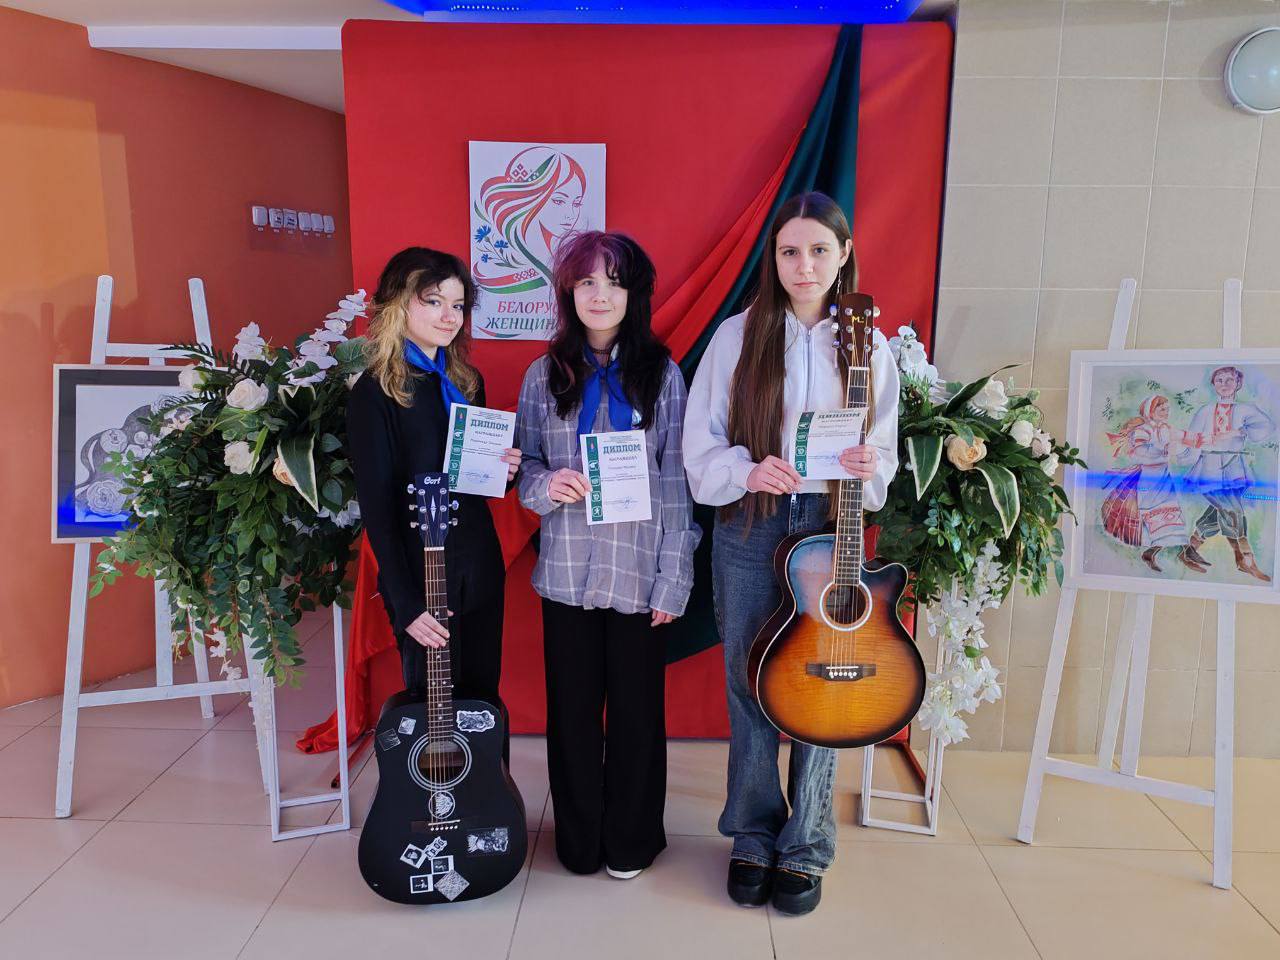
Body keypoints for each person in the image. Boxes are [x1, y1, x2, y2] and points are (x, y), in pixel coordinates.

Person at [683, 192, 899, 916]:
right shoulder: (736, 337)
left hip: (830, 522)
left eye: (818, 251)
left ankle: (805, 843)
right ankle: (751, 832)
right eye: (789, 252)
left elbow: (885, 449)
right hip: (752, 522)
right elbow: (700, 445)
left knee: (823, 682)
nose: (804, 266)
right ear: (772, 258)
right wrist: (747, 470)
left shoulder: (868, 345)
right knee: (749, 677)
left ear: (843, 256)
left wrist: (868, 465)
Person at [515, 230, 700, 880]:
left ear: (634, 294)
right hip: (566, 575)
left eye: (614, 283)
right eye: (588, 282)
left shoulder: (663, 375)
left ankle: (630, 841)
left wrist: (674, 580)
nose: (600, 295)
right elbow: (523, 465)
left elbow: (676, 483)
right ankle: (578, 841)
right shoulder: (543, 375)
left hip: (639, 577)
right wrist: (546, 485)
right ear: (569, 291)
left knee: (635, 718)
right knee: (570, 717)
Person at [346, 247, 521, 728]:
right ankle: (438, 780)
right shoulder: (375, 392)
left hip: (479, 561)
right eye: (434, 302)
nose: (450, 317)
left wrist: (504, 472)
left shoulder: (467, 381)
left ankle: (484, 776)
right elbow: (377, 508)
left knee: (482, 700)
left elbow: (474, 484)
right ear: (398, 304)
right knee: (432, 704)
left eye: (458, 305)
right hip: (420, 569)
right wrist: (404, 602)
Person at [1179, 365, 1275, 581]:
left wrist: (1241, 431)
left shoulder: (1245, 410)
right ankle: (1246, 560)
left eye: (1229, 380)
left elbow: (1267, 426)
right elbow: (1191, 439)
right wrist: (1187, 454)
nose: (1224, 384)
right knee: (1233, 511)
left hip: (1234, 469)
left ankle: (1188, 550)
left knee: (1218, 513)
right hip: (1209, 468)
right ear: (1213, 384)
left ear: (1238, 383)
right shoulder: (1205, 411)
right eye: (1219, 380)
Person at [1101, 394, 1192, 572]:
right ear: (1151, 410)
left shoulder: (1167, 429)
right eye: (1161, 409)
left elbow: (1184, 442)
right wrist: (1164, 450)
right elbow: (1139, 453)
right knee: (1155, 517)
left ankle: (1182, 550)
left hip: (1164, 478)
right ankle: (1177, 551)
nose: (1166, 412)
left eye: (1167, 409)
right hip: (1148, 480)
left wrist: (1188, 448)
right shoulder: (1142, 430)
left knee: (1172, 515)